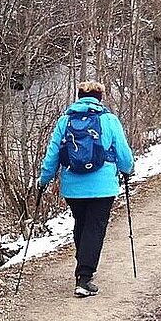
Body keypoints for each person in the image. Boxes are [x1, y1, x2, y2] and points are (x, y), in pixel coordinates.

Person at [37, 80, 136, 298]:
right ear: (100, 98)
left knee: (81, 225)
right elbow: (123, 152)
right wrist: (128, 169)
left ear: (79, 96)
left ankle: (83, 267)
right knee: (95, 227)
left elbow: (53, 154)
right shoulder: (109, 120)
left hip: (73, 186)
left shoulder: (64, 122)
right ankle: (84, 276)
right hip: (103, 186)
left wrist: (43, 180)